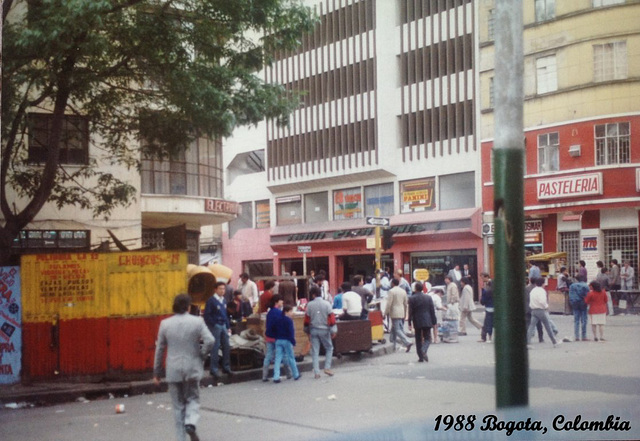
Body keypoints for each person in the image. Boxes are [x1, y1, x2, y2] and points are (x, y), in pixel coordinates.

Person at [153, 294, 215, 441]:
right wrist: (201, 354)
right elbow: (210, 340)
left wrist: (157, 372)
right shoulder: (197, 322)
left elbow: (160, 349)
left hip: (173, 370)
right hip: (192, 367)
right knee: (193, 398)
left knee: (178, 407)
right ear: (188, 306)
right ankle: (191, 422)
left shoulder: (165, 324)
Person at [305, 286, 336, 378]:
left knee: (315, 351)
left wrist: (307, 331)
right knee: (329, 348)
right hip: (325, 330)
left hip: (313, 329)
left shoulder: (309, 305)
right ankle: (327, 367)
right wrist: (333, 330)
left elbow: (306, 320)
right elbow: (331, 319)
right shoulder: (327, 304)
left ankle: (316, 372)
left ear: (313, 295)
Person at [203, 282, 232, 381]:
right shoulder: (211, 301)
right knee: (215, 347)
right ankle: (214, 369)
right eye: (220, 289)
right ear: (215, 289)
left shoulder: (224, 300)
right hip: (215, 325)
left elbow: (225, 314)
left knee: (226, 346)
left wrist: (228, 326)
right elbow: (207, 315)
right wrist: (214, 324)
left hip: (223, 325)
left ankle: (226, 367)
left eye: (224, 289)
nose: (222, 291)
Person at [262, 294, 290, 381]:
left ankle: (264, 376)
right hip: (278, 337)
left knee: (268, 356)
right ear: (276, 302)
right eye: (281, 300)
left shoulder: (269, 313)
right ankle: (287, 373)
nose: (282, 302)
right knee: (284, 355)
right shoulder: (279, 313)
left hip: (269, 337)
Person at [526, 278, 561, 348]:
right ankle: (554, 342)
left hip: (533, 310)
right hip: (541, 310)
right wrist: (546, 306)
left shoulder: (533, 291)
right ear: (542, 284)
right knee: (548, 326)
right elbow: (542, 301)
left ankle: (527, 342)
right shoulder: (542, 291)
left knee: (531, 327)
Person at [407, 282, 437, 362]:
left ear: (415, 289)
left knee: (418, 339)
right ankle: (424, 350)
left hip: (417, 320)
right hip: (427, 319)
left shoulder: (412, 298)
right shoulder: (428, 297)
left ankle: (420, 356)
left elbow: (410, 312)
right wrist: (434, 321)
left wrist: (409, 322)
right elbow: (432, 310)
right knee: (427, 338)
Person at [272, 305, 301, 383]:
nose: (292, 313)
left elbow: (273, 330)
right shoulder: (289, 321)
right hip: (287, 340)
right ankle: (296, 374)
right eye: (291, 311)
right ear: (286, 312)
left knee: (278, 359)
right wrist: (293, 341)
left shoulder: (277, 320)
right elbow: (291, 332)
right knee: (291, 357)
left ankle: (276, 377)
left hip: (278, 340)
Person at [384, 278, 413, 352]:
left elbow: (389, 304)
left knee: (397, 329)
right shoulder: (403, 291)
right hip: (401, 311)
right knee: (394, 328)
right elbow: (405, 303)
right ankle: (393, 344)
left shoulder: (391, 291)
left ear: (393, 283)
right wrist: (406, 313)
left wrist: (385, 313)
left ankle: (407, 342)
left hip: (394, 312)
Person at [525, 278, 544, 343]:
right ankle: (541, 338)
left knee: (528, 324)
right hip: (536, 307)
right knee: (538, 324)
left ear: (530, 281)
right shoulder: (538, 289)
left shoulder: (526, 288)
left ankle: (527, 338)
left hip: (527, 307)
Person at [478, 272, 494, 343]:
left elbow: (485, 298)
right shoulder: (489, 284)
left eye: (482, 277)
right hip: (492, 306)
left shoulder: (489, 286)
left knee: (488, 323)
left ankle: (486, 337)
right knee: (488, 323)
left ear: (486, 277)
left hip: (490, 306)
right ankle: (485, 337)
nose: (482, 279)